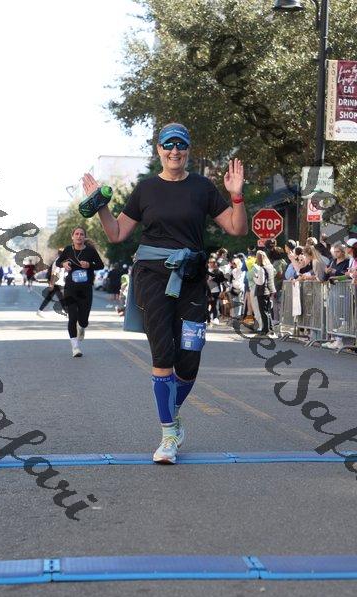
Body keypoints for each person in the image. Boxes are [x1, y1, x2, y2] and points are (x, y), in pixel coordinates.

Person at [85, 122, 247, 464]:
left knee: (189, 359)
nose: (175, 151)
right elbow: (116, 234)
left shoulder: (202, 187)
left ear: (188, 150)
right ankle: (168, 434)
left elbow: (236, 227)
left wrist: (236, 195)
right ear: (159, 149)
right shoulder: (146, 189)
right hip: (152, 278)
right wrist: (100, 205)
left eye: (181, 145)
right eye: (168, 145)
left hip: (191, 278)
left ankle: (171, 413)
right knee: (163, 354)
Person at [56, 226, 104, 357]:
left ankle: (82, 327)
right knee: (72, 317)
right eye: (76, 234)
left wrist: (89, 265)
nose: (79, 236)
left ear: (84, 237)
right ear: (72, 237)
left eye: (81, 234)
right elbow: (58, 262)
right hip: (70, 289)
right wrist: (63, 264)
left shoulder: (90, 251)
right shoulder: (68, 250)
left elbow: (101, 265)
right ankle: (75, 347)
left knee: (83, 320)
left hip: (85, 289)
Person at [253, 250, 276, 337]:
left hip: (262, 291)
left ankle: (266, 330)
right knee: (268, 311)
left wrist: (255, 277)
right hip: (269, 291)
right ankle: (270, 329)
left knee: (263, 311)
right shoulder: (270, 266)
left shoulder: (261, 268)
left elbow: (260, 282)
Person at [37, 249, 66, 318]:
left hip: (58, 283)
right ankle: (68, 313)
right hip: (57, 283)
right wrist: (52, 284)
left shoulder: (60, 261)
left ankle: (40, 311)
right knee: (61, 298)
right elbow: (54, 273)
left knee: (52, 298)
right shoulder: (58, 262)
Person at [206, 256, 225, 326]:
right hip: (207, 291)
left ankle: (215, 318)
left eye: (213, 262)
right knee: (206, 306)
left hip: (216, 291)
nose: (212, 264)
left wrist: (222, 291)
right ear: (208, 263)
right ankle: (207, 319)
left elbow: (223, 282)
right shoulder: (205, 271)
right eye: (210, 262)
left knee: (214, 306)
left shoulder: (219, 272)